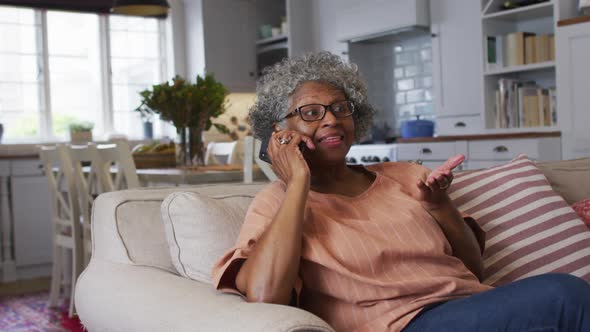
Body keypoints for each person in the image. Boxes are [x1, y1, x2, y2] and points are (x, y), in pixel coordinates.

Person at [211, 52, 590, 331]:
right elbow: (264, 296)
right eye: (310, 112)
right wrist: (297, 182)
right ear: (279, 131)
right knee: (565, 294)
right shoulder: (278, 202)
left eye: (340, 107)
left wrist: (441, 207)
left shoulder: (406, 175)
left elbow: (473, 270)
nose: (330, 119)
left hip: (471, 308)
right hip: (400, 325)